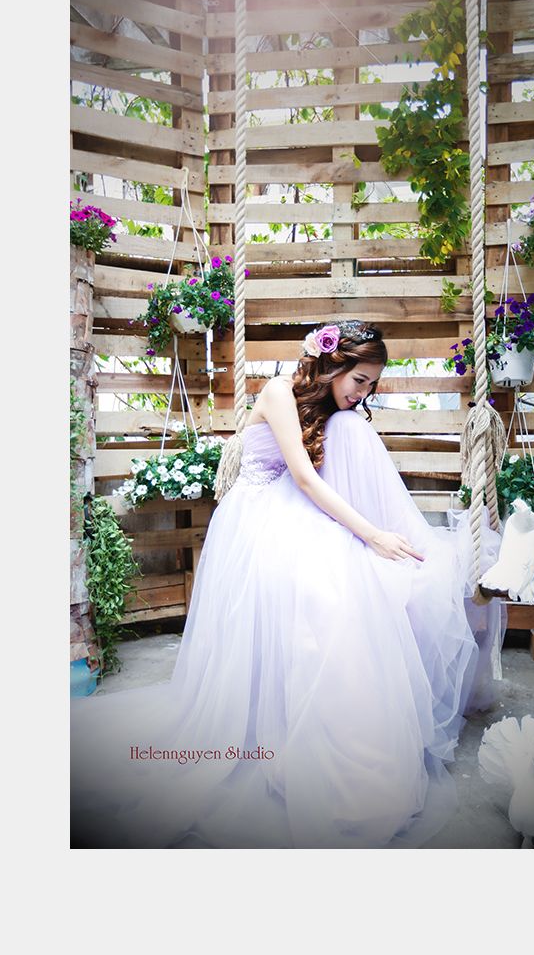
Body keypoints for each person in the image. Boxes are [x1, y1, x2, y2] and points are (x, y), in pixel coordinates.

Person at [70, 320, 506, 849]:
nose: (363, 392)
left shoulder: (336, 413)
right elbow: (302, 477)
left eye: (372, 384)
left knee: (352, 586)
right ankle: (284, 732)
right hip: (257, 514)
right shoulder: (280, 392)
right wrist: (371, 534)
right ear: (332, 363)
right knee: (328, 585)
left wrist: (375, 533)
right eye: (359, 380)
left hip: (292, 508)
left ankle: (335, 729)